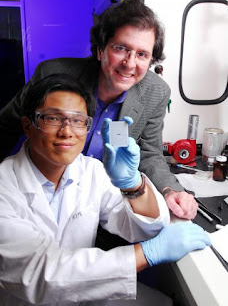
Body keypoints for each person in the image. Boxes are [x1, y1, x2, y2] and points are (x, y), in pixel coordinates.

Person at [0, 74, 211, 306]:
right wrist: (149, 253)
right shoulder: (5, 186)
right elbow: (42, 275)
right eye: (52, 118)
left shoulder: (90, 170)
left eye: (78, 120)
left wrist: (133, 184)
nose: (67, 131)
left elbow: (141, 227)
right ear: (28, 126)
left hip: (81, 293)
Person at [0, 0, 197, 226]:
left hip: (101, 206)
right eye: (121, 48)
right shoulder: (53, 74)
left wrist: (170, 190)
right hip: (39, 198)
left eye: (142, 54)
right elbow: (6, 125)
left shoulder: (155, 92)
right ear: (100, 50)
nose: (129, 63)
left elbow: (150, 153)